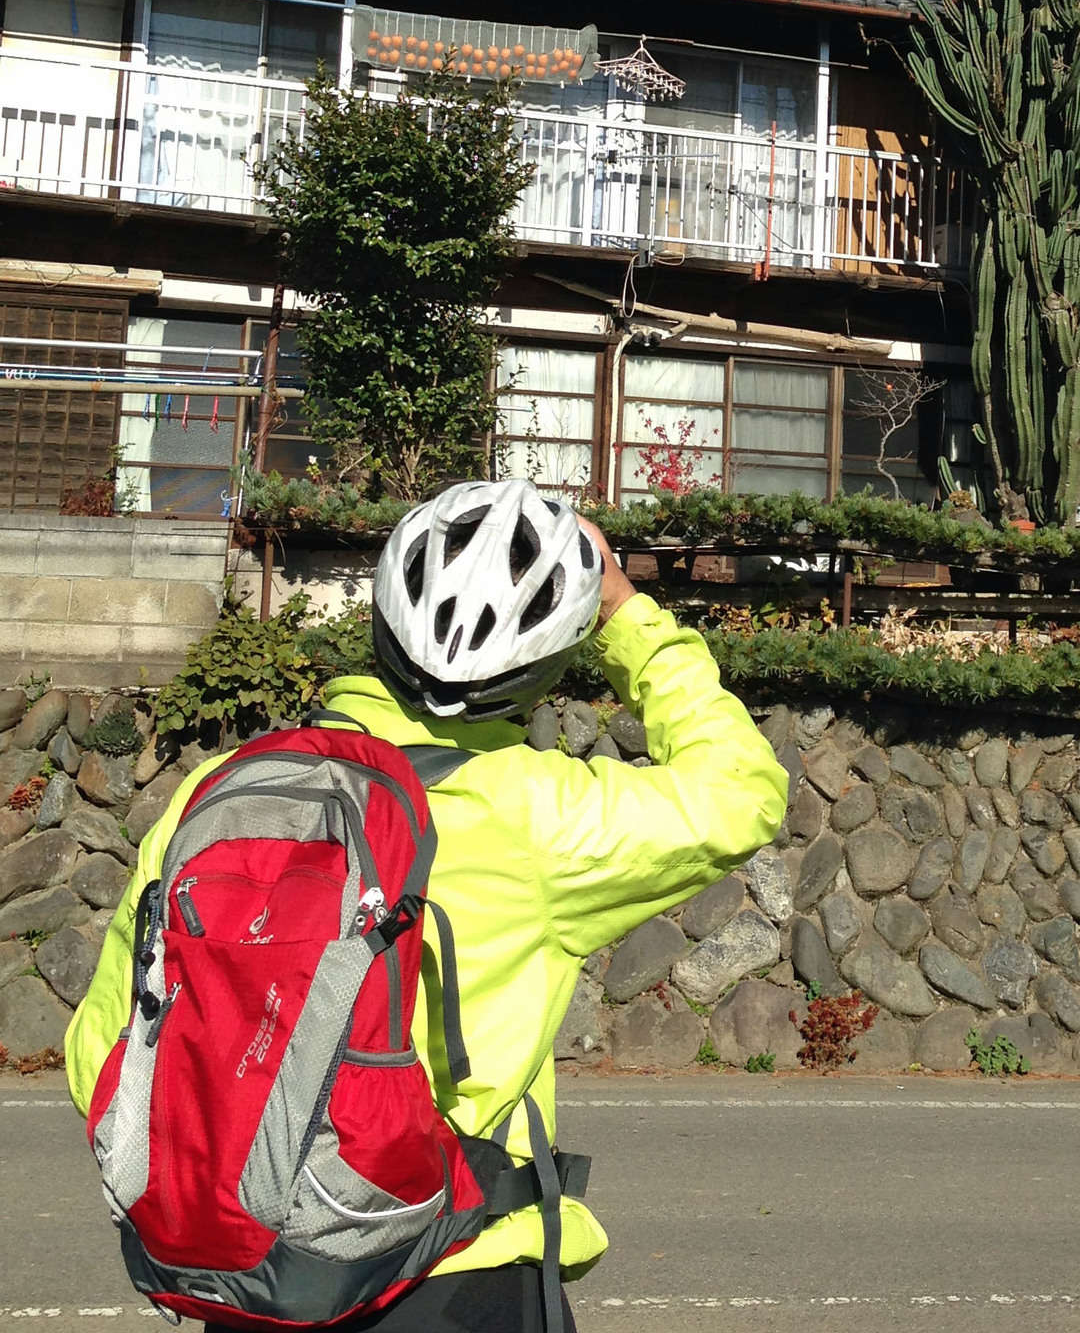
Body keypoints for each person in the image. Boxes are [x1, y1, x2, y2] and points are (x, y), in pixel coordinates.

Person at [65, 478, 789, 1332]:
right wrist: (628, 613)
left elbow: (100, 1050)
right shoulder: (537, 817)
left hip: (254, 1276)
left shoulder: (219, 796)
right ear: (552, 664)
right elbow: (741, 789)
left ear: (378, 624)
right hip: (455, 1272)